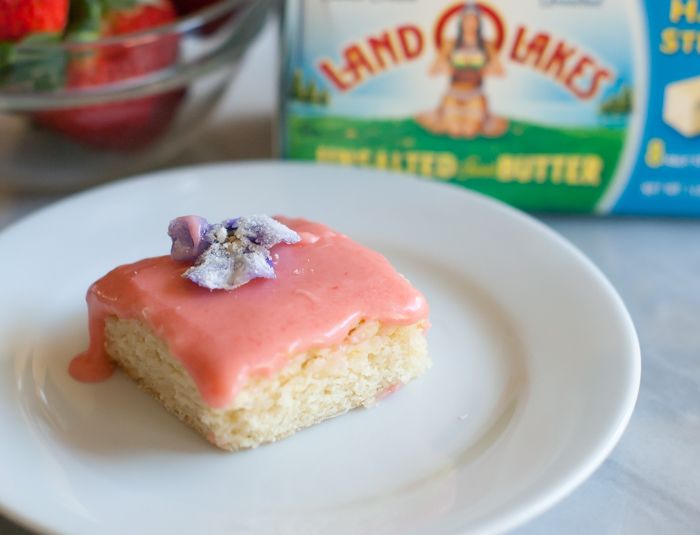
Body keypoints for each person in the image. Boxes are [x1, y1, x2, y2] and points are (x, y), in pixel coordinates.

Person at [417, 3, 508, 138]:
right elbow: (432, 70)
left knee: (469, 131)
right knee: (454, 131)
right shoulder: (451, 43)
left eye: (473, 20)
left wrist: (483, 69)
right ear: (461, 22)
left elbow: (500, 71)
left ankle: (483, 118)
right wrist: (446, 68)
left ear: (478, 23)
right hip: (453, 93)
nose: (470, 24)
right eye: (466, 20)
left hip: (475, 94)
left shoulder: (486, 45)